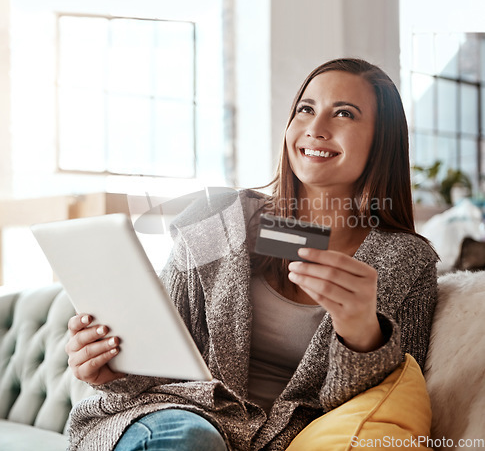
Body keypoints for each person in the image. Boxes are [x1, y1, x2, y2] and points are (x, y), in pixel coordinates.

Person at [65, 58, 438, 451]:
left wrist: (362, 335)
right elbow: (157, 361)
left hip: (279, 442)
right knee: (191, 438)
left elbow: (386, 408)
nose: (316, 128)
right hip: (175, 420)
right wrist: (106, 366)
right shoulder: (221, 220)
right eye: (305, 110)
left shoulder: (404, 262)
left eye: (343, 114)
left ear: (383, 139)